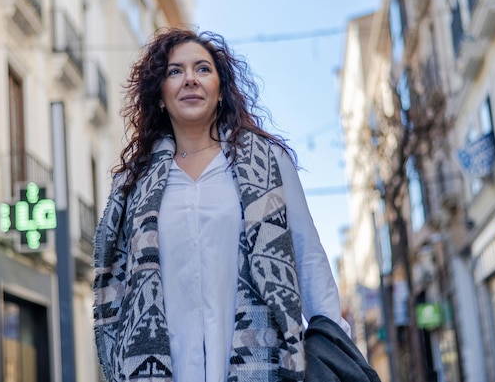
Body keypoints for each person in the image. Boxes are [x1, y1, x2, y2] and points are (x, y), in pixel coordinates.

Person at [93, 27, 349, 382]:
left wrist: (338, 349)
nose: (190, 80)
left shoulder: (269, 164)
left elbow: (308, 259)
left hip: (266, 369)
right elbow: (118, 292)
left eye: (202, 69)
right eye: (174, 71)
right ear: (159, 96)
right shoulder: (132, 186)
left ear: (221, 91)